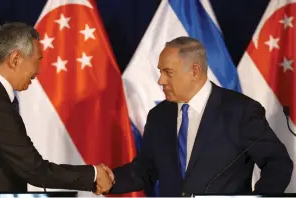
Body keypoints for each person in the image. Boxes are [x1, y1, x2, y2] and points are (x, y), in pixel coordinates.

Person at [96, 36, 293, 196]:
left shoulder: (240, 111)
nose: (160, 80)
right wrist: (112, 179)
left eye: (168, 72)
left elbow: (277, 162)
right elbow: (145, 169)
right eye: (160, 72)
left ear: (195, 71)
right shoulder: (159, 116)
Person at [0, 22, 113, 192]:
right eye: (38, 60)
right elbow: (35, 170)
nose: (38, 71)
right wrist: (93, 175)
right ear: (15, 59)